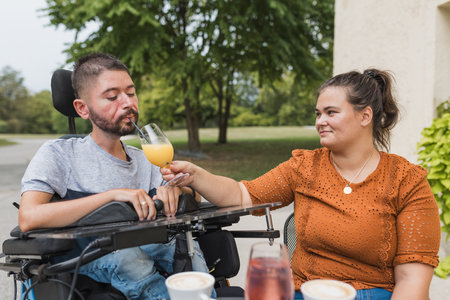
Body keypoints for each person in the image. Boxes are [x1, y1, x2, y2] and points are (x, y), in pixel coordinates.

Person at [162, 69, 441, 300]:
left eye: (331, 112)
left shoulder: (407, 182)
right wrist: (196, 176)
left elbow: (412, 283)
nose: (320, 121)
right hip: (302, 292)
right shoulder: (305, 166)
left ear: (365, 116)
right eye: (318, 114)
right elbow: (243, 194)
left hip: (371, 294)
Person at [18, 52, 210, 300]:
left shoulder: (146, 158)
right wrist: (111, 196)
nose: (127, 103)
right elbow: (29, 217)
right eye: (112, 96)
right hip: (87, 257)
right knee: (129, 258)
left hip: (145, 247)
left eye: (131, 93)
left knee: (185, 246)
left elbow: (192, 193)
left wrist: (177, 189)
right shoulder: (59, 154)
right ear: (82, 109)